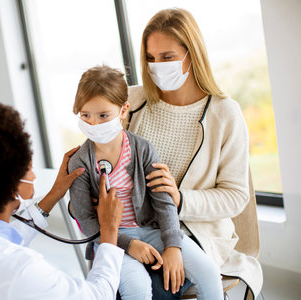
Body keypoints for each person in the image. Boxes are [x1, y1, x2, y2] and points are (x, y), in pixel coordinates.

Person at [125, 7, 263, 299]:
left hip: (194, 234)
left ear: (192, 55)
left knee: (156, 288)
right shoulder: (131, 101)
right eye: (150, 58)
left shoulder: (225, 113)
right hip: (136, 227)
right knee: (113, 281)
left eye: (167, 58)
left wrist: (180, 199)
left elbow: (235, 196)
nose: (156, 66)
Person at [0, 103, 125, 300]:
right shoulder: (22, 269)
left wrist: (54, 194)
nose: (34, 176)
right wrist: (109, 229)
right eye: (29, 167)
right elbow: (99, 296)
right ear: (11, 186)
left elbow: (2, 243)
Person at [68, 65, 223, 300]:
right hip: (111, 239)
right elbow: (87, 223)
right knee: (137, 288)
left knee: (209, 273)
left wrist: (172, 246)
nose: (94, 124)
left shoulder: (142, 149)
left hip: (153, 231)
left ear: (123, 110)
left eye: (103, 115)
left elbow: (164, 201)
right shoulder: (78, 162)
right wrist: (129, 245)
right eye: (86, 115)